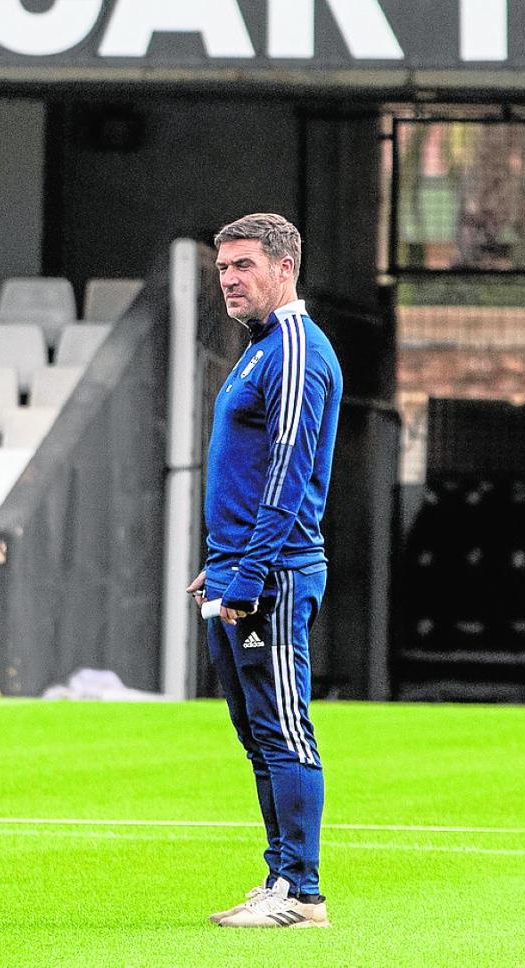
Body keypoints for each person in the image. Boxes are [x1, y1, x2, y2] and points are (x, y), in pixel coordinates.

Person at [187, 213, 343, 929]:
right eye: (223, 269)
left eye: (243, 265)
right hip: (241, 567)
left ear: (284, 268)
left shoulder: (297, 350)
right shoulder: (261, 348)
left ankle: (302, 893)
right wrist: (219, 563)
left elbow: (286, 473)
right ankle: (279, 875)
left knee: (285, 730)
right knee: (258, 734)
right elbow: (247, 473)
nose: (229, 280)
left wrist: (247, 573)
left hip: (272, 576)